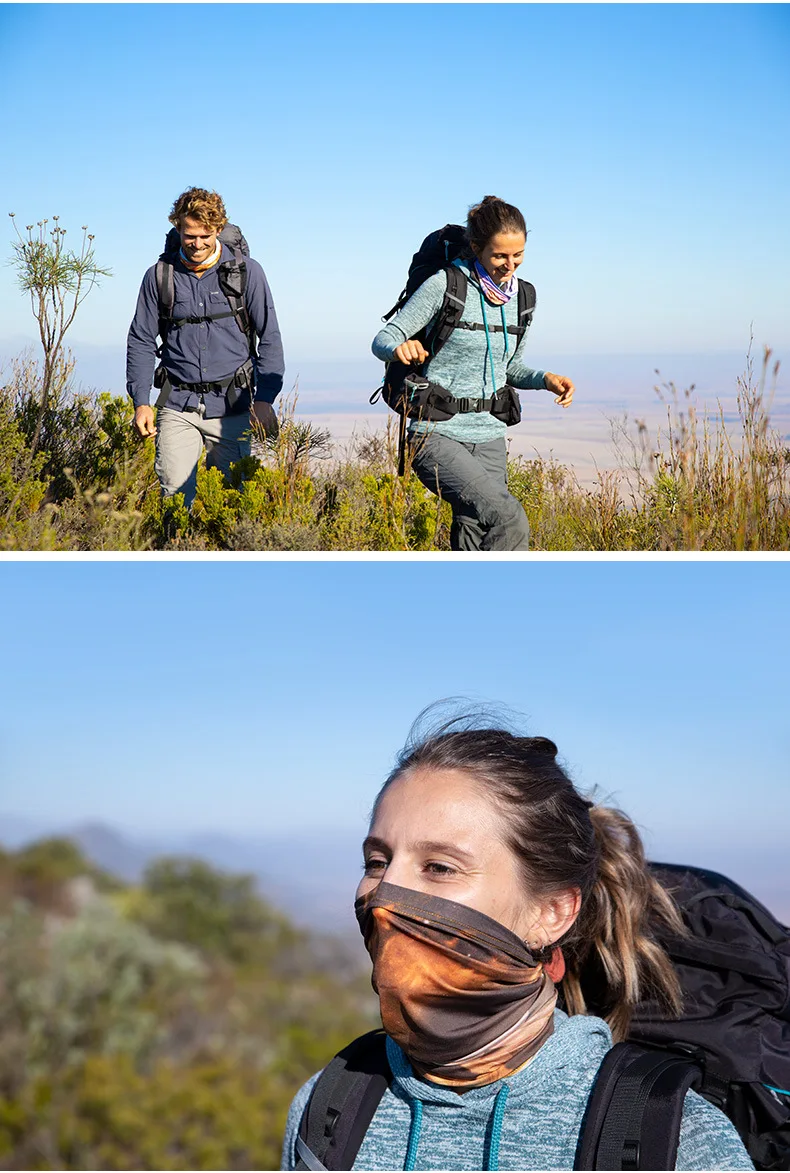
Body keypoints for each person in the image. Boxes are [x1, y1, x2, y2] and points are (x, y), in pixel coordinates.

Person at [281, 713, 754, 1171]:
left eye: (440, 867)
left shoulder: (677, 1141)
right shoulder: (327, 1107)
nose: (384, 896)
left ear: (551, 914)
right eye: (377, 861)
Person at [371, 197, 575, 552]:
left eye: (518, 255)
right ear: (477, 248)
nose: (509, 266)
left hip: (490, 436)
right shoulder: (445, 285)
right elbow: (384, 338)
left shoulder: (523, 297)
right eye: (499, 256)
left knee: (473, 525)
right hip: (435, 434)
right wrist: (399, 348)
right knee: (509, 517)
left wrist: (545, 379)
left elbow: (509, 367)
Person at [126, 187, 285, 508]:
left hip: (233, 408)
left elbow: (270, 337)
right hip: (177, 405)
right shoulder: (160, 276)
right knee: (174, 500)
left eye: (205, 235)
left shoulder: (247, 273)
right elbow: (141, 339)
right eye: (189, 235)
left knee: (230, 504)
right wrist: (141, 402)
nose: (197, 244)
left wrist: (266, 398)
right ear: (178, 229)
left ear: (218, 229)